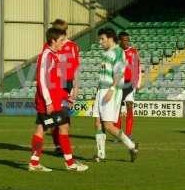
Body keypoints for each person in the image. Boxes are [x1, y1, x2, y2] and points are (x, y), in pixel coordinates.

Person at [28, 27, 88, 172]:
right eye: (61, 40)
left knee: (44, 127)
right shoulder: (47, 55)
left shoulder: (53, 55)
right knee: (60, 126)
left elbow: (54, 82)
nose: (64, 43)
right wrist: (48, 102)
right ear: (53, 40)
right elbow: (42, 80)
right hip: (49, 102)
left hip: (55, 100)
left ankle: (35, 162)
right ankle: (69, 163)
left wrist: (65, 96)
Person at [92, 27, 139, 162]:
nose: (100, 42)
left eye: (102, 39)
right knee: (97, 123)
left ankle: (132, 146)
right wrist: (98, 90)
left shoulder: (118, 52)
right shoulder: (106, 53)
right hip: (101, 90)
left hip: (111, 91)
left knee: (108, 125)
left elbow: (119, 73)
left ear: (110, 38)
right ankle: (101, 154)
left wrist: (112, 89)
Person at [49, 19, 81, 154]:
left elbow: (76, 68)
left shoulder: (72, 46)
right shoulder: (52, 46)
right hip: (55, 84)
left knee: (64, 116)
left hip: (66, 84)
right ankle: (58, 145)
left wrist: (76, 87)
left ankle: (61, 144)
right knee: (55, 116)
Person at [115, 32, 141, 139]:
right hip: (119, 83)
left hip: (130, 83)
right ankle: (118, 134)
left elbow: (138, 68)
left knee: (129, 106)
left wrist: (138, 83)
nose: (126, 42)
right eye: (124, 40)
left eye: (127, 40)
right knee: (117, 109)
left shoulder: (133, 52)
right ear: (119, 41)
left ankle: (129, 134)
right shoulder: (116, 52)